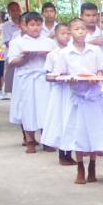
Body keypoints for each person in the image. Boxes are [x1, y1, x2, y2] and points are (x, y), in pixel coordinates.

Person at [49, 18, 103, 185]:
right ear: (70, 33)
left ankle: (92, 165)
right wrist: (70, 80)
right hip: (77, 96)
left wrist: (96, 78)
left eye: (83, 29)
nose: (81, 32)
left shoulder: (95, 50)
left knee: (94, 132)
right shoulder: (64, 53)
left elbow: (102, 69)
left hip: (93, 95)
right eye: (76, 29)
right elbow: (59, 74)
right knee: (78, 132)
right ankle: (80, 167)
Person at [6, 12, 55, 153]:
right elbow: (12, 61)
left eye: (38, 25)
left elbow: (56, 59)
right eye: (32, 25)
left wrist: (46, 55)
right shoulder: (17, 42)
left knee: (45, 108)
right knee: (28, 109)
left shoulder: (49, 42)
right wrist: (25, 58)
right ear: (25, 26)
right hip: (26, 79)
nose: (36, 28)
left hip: (43, 78)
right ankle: (30, 140)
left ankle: (47, 140)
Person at [40, 22, 75, 166]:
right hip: (60, 92)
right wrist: (58, 76)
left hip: (72, 90)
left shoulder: (75, 52)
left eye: (68, 33)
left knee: (71, 120)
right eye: (62, 33)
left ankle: (71, 152)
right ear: (55, 36)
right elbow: (47, 76)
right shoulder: (52, 55)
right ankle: (62, 154)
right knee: (60, 120)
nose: (66, 36)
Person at [0, 2, 23, 99]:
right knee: (13, 83)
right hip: (13, 56)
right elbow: (8, 42)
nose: (15, 12)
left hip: (27, 57)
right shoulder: (6, 26)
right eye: (12, 10)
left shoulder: (26, 23)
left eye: (17, 9)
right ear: (9, 12)